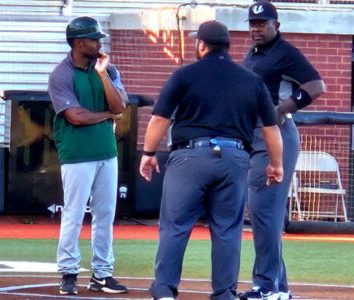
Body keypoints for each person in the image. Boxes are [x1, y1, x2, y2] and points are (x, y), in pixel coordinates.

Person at [139, 20, 284, 300]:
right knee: (228, 229)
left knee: (176, 225)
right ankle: (224, 293)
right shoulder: (251, 80)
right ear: (228, 46)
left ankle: (165, 289)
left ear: (201, 45)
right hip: (234, 158)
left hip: (189, 157)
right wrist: (275, 164)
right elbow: (271, 128)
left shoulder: (184, 75)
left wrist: (148, 153)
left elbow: (160, 118)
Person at [239, 2, 326, 300]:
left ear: (277, 24)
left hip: (277, 135)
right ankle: (280, 288)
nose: (256, 28)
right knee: (264, 212)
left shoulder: (286, 52)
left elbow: (316, 86)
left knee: (265, 212)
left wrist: (282, 109)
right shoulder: (253, 53)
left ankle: (265, 286)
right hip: (256, 135)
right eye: (252, 23)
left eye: (262, 23)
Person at [48, 16, 128, 296]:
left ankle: (102, 274)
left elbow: (121, 104)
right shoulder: (61, 74)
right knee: (73, 212)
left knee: (106, 214)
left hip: (106, 151)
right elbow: (76, 116)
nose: (99, 43)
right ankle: (68, 272)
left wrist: (104, 74)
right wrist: (107, 115)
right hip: (77, 153)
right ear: (78, 42)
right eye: (94, 39)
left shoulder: (106, 67)